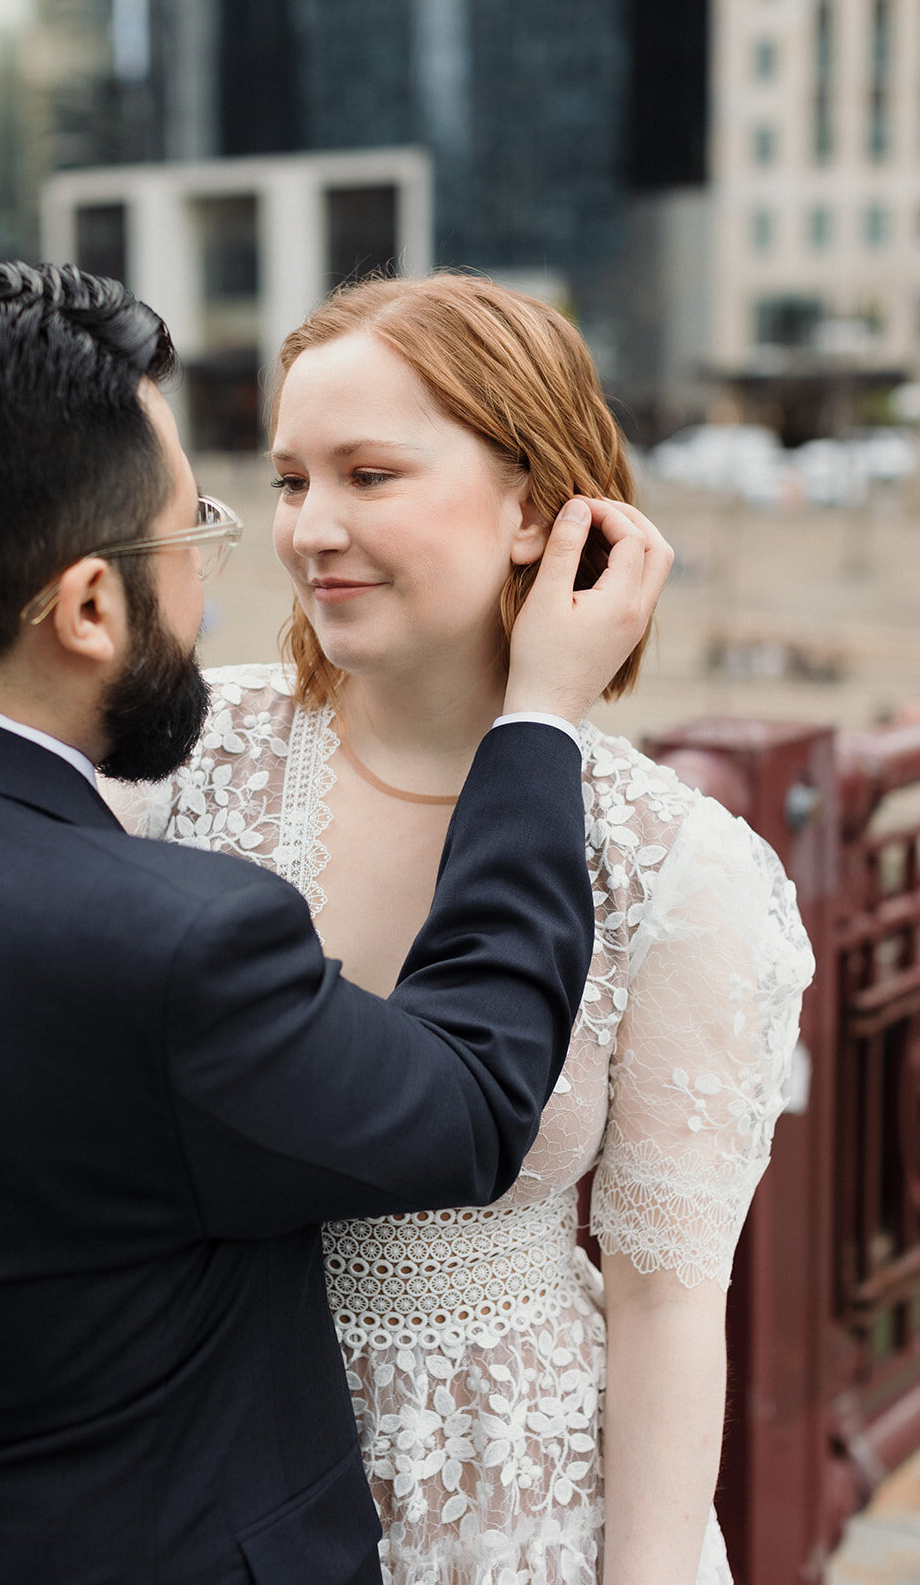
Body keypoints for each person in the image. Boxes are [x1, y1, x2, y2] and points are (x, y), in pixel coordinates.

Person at [0, 262, 670, 1585]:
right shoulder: (172, 942)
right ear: (90, 606)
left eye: (361, 477)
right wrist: (540, 725)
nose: (287, 548)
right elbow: (468, 1098)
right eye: (208, 530)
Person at [140, 273, 815, 1585]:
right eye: (288, 482)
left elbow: (669, 1298)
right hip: (204, 1475)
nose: (308, 529)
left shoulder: (676, 862)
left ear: (537, 510)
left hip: (514, 1507)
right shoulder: (184, 761)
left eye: (369, 475)